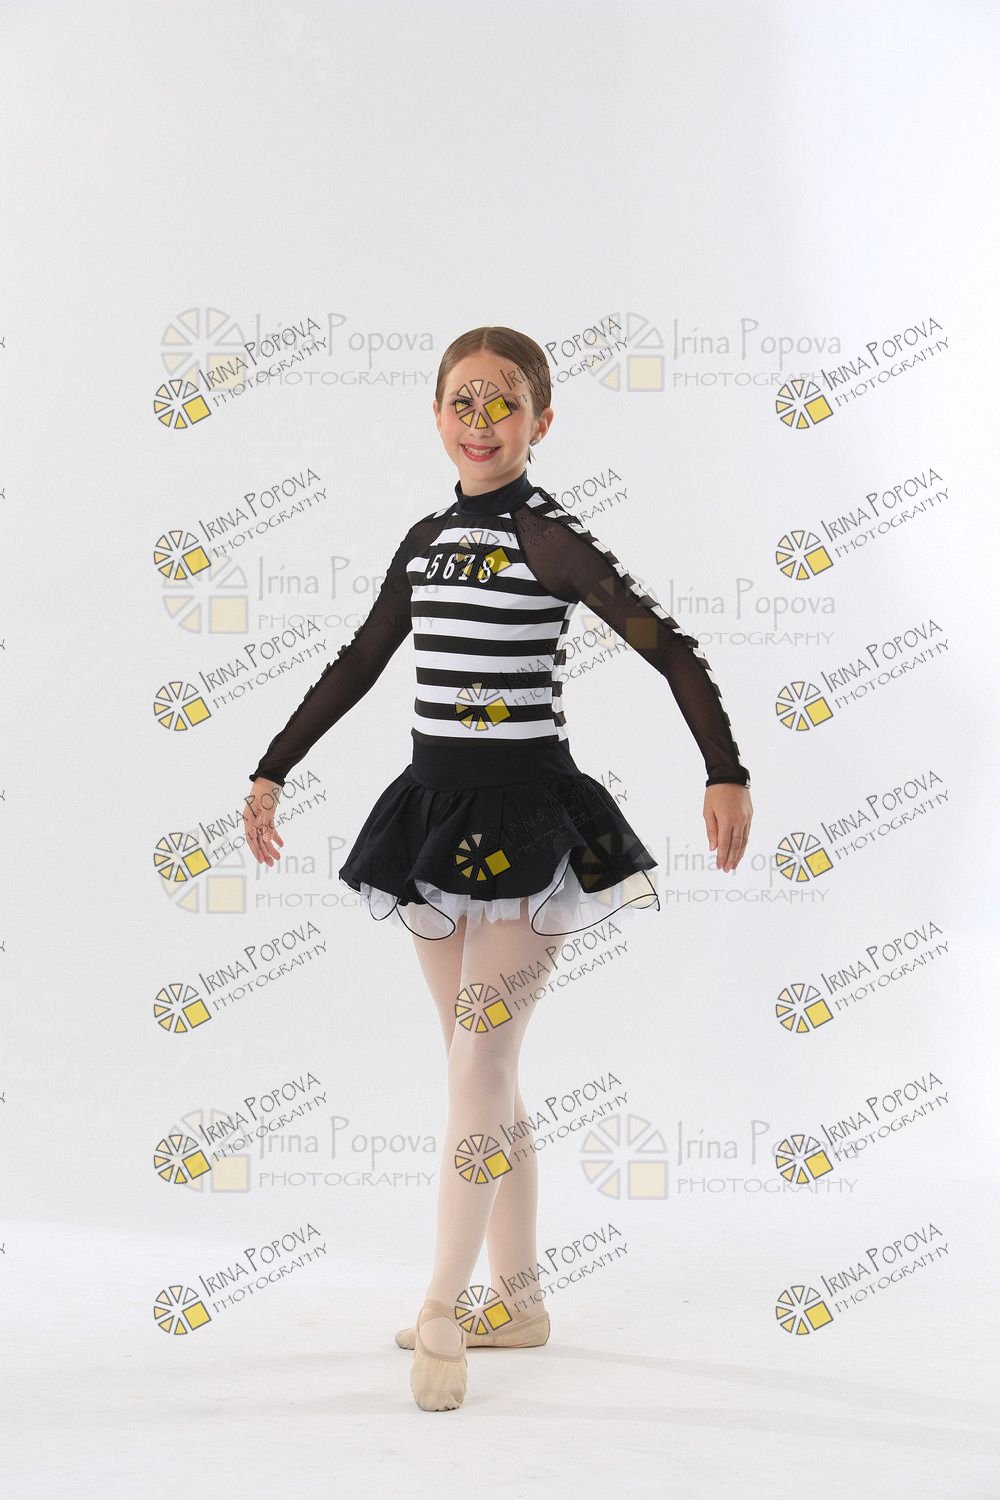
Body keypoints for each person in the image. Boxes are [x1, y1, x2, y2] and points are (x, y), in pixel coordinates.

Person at [242, 325, 753, 1411]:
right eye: (462, 402)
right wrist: (273, 769)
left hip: (528, 822)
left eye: (504, 403)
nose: (481, 423)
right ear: (435, 415)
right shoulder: (426, 541)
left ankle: (443, 1302)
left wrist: (724, 770)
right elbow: (360, 660)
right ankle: (517, 1301)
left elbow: (670, 646)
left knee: (479, 1064)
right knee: (483, 1070)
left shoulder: (548, 537)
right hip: (432, 819)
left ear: (541, 421)